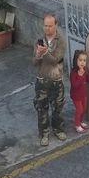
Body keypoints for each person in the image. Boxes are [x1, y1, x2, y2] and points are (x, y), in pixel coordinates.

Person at [33, 13, 67, 147]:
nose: (47, 29)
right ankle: (44, 134)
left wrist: (45, 52)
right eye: (45, 26)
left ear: (56, 25)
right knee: (42, 109)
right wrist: (37, 55)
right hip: (42, 80)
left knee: (58, 107)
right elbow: (34, 63)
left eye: (50, 26)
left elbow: (55, 60)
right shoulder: (39, 40)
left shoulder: (61, 41)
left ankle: (58, 130)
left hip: (56, 80)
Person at [70, 50, 89, 133]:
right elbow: (75, 85)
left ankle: (80, 121)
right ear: (76, 60)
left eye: (84, 60)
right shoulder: (74, 73)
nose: (82, 63)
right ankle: (77, 124)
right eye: (80, 60)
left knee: (84, 109)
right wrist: (79, 76)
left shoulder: (84, 70)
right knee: (79, 110)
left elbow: (87, 78)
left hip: (83, 94)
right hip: (76, 96)